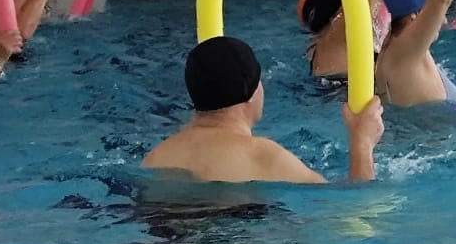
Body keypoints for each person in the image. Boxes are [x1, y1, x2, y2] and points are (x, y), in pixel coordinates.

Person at [142, 36, 383, 184]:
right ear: (252, 92)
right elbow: (353, 213)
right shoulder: (262, 156)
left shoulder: (157, 157)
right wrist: (362, 144)